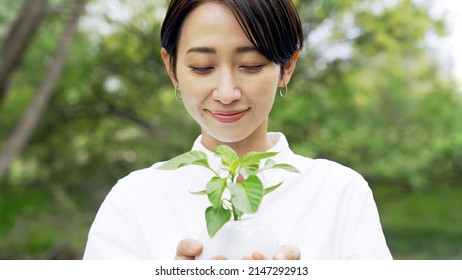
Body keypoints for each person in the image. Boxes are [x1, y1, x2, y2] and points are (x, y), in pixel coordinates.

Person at [83, 0, 392, 260]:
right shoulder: (135, 200)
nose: (227, 93)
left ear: (287, 67)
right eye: (202, 67)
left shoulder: (339, 194)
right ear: (172, 68)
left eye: (251, 65)